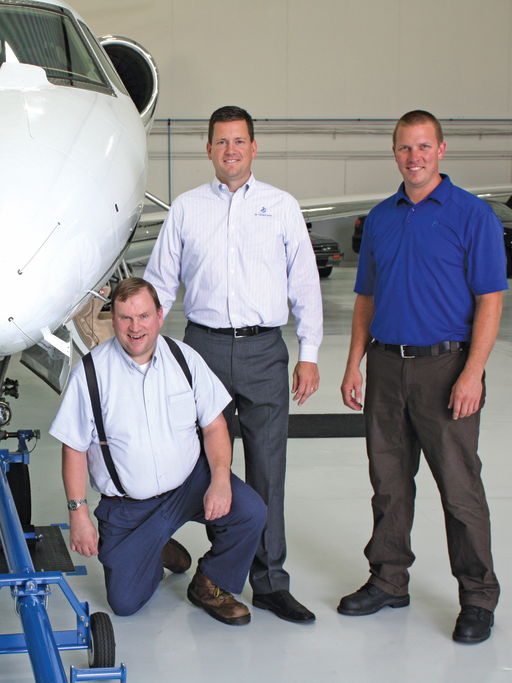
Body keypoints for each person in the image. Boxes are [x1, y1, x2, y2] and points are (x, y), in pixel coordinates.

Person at [143, 105, 323, 623]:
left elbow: (305, 286)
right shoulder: (186, 208)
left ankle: (268, 582)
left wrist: (308, 355)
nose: (230, 150)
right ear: (209, 150)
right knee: (191, 463)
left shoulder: (281, 207)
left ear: (253, 147)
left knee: (268, 470)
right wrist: (140, 338)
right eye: (221, 142)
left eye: (239, 141)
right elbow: (160, 283)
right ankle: (207, 567)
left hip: (265, 350)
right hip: (202, 349)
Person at [339, 110, 503, 644]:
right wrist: (353, 362)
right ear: (395, 153)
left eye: (424, 147)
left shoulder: (471, 215)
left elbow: (490, 299)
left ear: (441, 149)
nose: (415, 157)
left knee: (459, 489)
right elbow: (366, 296)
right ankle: (389, 579)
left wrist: (472, 372)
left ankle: (477, 597)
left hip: (445, 367)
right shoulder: (381, 218)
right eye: (405, 148)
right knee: (388, 483)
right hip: (386, 367)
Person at [50, 277, 266, 622]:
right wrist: (78, 514)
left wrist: (221, 480)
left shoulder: (184, 359)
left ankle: (209, 582)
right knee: (124, 603)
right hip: (129, 507)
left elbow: (214, 426)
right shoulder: (90, 373)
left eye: (144, 316)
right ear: (113, 319)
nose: (135, 328)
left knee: (250, 511)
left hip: (188, 487)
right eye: (125, 318)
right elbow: (73, 449)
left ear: (160, 316)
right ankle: (155, 545)